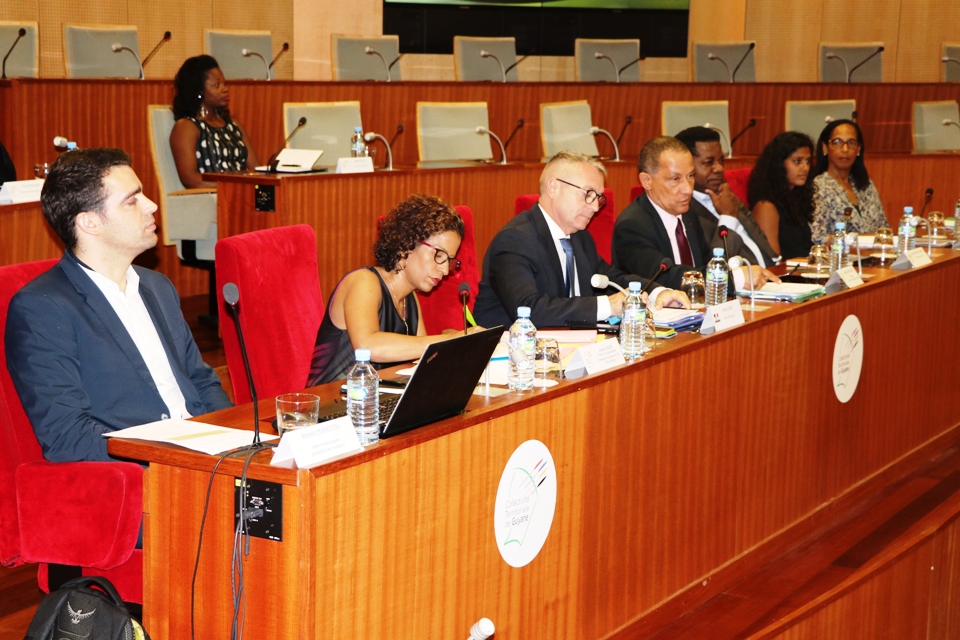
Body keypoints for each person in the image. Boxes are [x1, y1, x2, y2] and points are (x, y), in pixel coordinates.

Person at [5, 148, 232, 463]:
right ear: (90, 222)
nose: (151, 205)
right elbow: (68, 437)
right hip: (145, 472)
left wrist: (237, 442)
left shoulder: (157, 287)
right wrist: (175, 459)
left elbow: (202, 383)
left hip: (206, 456)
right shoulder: (43, 308)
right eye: (131, 200)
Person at [473, 150, 688, 329]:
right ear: (553, 187)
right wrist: (607, 306)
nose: (594, 207)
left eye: (598, 198)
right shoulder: (515, 240)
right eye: (588, 194)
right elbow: (529, 310)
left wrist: (659, 292)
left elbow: (610, 279)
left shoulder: (579, 237)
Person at [307, 194, 483, 385]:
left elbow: (424, 360)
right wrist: (446, 341)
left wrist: (454, 339)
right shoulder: (363, 282)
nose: (445, 269)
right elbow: (368, 346)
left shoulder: (410, 299)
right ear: (407, 244)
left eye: (449, 260)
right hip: (332, 400)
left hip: (379, 400)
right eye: (439, 255)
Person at [612, 136, 778, 292]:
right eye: (675, 179)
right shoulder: (632, 226)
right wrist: (734, 278)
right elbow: (665, 277)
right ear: (647, 181)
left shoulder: (688, 215)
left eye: (690, 176)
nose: (688, 189)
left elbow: (705, 265)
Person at [674, 126, 779, 267]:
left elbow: (761, 240)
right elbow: (714, 266)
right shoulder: (684, 210)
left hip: (771, 274)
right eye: (709, 162)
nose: (719, 168)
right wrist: (728, 217)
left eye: (721, 161)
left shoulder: (726, 193)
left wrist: (778, 265)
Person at [169, 55, 260, 189]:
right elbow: (189, 179)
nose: (225, 89)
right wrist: (230, 189)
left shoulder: (234, 124)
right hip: (213, 195)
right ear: (199, 91)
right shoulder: (187, 127)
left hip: (242, 193)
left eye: (224, 83)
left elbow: (256, 169)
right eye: (217, 85)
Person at [809, 119, 886, 244]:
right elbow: (817, 237)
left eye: (851, 142)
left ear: (858, 149)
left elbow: (884, 229)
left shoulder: (866, 185)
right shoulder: (817, 187)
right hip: (838, 255)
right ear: (825, 148)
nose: (845, 149)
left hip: (874, 254)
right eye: (837, 142)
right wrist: (864, 239)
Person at [748, 132, 816, 259]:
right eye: (797, 161)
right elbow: (772, 261)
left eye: (808, 161)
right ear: (778, 164)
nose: (805, 168)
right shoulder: (766, 207)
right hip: (787, 271)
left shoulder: (795, 198)